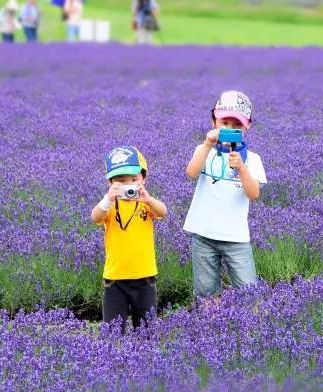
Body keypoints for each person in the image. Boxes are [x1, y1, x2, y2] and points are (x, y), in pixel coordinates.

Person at [183, 91, 267, 299]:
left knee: (249, 292)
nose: (229, 129)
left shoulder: (252, 159)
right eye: (224, 123)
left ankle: (250, 330)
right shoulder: (205, 150)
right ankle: (211, 328)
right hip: (203, 234)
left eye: (236, 125)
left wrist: (242, 168)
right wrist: (206, 145)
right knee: (206, 293)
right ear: (214, 121)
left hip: (235, 237)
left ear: (247, 126)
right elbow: (191, 173)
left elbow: (253, 193)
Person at [91, 146, 168, 331]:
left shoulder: (145, 203)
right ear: (110, 183)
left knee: (147, 331)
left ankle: (147, 359)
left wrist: (148, 199)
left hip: (145, 277)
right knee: (113, 331)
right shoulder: (110, 205)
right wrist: (108, 199)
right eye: (121, 181)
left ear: (144, 178)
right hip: (115, 280)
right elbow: (95, 217)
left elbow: (163, 212)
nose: (129, 185)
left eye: (134, 179)